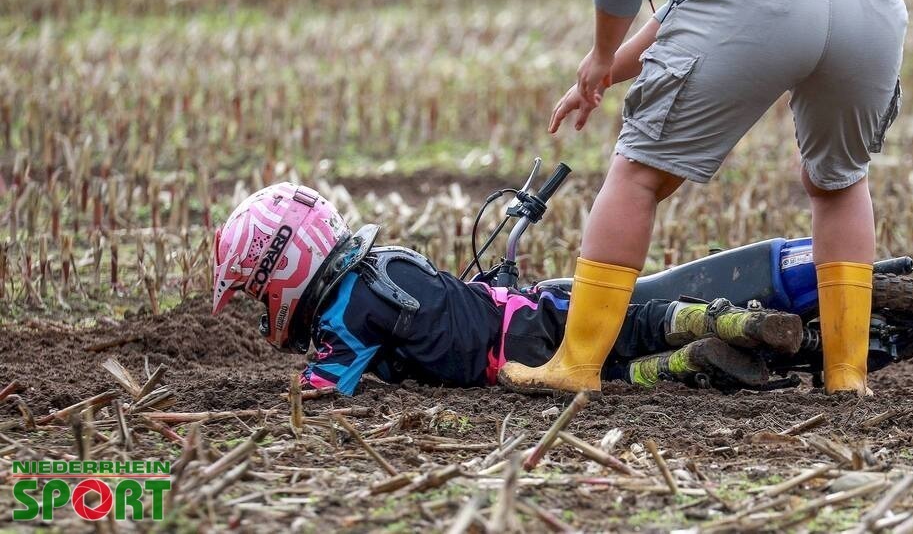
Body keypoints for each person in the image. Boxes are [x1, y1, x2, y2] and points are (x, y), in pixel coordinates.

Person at [498, 0, 907, 397]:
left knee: (639, 174)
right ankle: (847, 377)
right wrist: (603, 73)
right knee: (839, 182)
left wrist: (600, 49)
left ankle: (575, 366)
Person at [212, 183, 805, 395]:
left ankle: (687, 363)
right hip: (524, 311)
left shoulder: (345, 314)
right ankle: (728, 322)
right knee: (632, 324)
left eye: (257, 292)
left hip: (511, 358)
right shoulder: (389, 263)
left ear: (284, 267)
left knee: (614, 375)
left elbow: (320, 390)